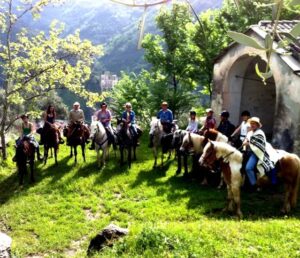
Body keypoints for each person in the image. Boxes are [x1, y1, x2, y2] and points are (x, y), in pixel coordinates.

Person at [242, 117, 278, 190]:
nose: (252, 125)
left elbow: (259, 144)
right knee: (245, 167)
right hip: (249, 152)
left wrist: (248, 144)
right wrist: (245, 143)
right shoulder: (249, 133)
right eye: (251, 123)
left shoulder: (260, 133)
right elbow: (247, 139)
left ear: (257, 125)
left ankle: (258, 184)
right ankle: (250, 184)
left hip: (259, 153)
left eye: (254, 124)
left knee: (250, 168)